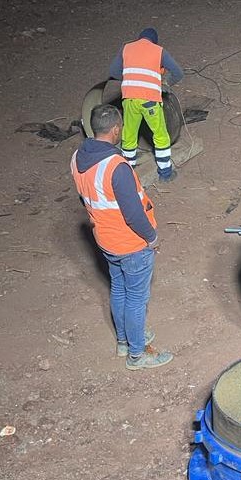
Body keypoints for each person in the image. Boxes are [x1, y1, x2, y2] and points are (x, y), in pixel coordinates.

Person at [71, 104, 174, 371]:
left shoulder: (77, 158)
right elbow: (133, 214)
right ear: (116, 129)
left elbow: (87, 198)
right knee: (137, 298)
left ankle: (123, 341)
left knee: (118, 289)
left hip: (104, 238)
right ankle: (138, 355)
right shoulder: (116, 167)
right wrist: (151, 237)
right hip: (130, 243)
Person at [109, 27, 184, 182]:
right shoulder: (159, 51)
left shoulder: (127, 48)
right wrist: (165, 83)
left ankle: (128, 172)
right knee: (160, 135)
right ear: (154, 41)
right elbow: (178, 72)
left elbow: (114, 71)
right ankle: (166, 174)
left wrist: (131, 80)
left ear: (139, 38)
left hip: (129, 99)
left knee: (129, 134)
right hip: (150, 100)